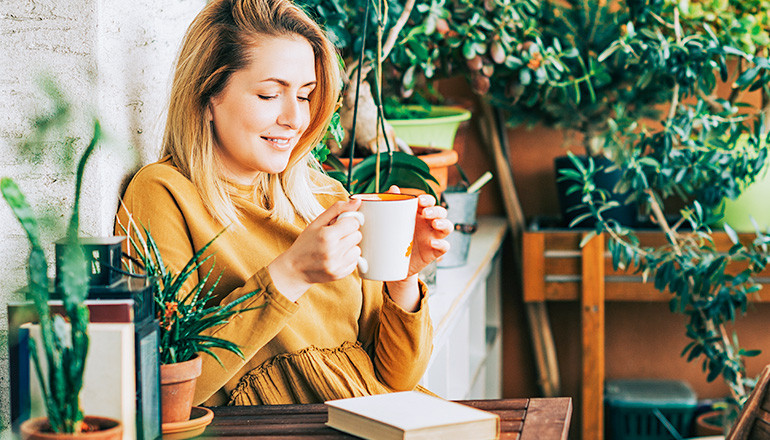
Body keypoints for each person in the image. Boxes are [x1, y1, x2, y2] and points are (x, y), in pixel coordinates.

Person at [117, 0, 452, 407]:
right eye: (270, 94)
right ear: (208, 96)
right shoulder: (164, 195)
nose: (295, 118)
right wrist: (291, 274)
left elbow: (397, 380)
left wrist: (403, 277)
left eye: (306, 95)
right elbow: (164, 390)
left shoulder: (324, 197)